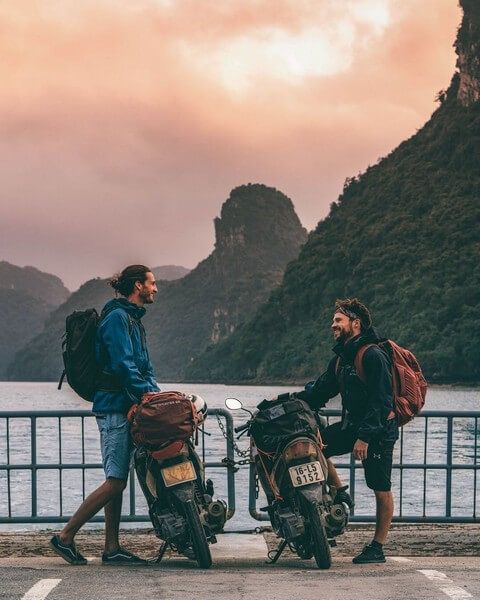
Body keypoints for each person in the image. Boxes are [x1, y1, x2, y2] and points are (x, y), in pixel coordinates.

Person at [51, 265, 159, 565]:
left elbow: (143, 368)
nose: (155, 288)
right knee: (115, 480)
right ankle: (64, 537)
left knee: (119, 478)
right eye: (152, 283)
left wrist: (157, 395)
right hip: (113, 407)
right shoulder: (116, 319)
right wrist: (145, 393)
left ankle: (111, 548)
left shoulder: (134, 321)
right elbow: (124, 365)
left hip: (128, 406)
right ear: (137, 285)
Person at [296, 298, 397, 564]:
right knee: (314, 444)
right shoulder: (341, 359)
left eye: (338, 320)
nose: (333, 325)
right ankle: (340, 491)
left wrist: (364, 438)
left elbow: (382, 400)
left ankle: (377, 547)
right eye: (333, 320)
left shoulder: (372, 355)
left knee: (380, 486)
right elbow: (319, 392)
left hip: (378, 430)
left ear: (356, 323)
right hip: (353, 427)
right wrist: (288, 402)